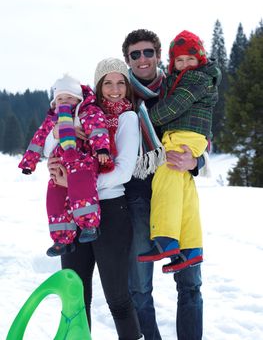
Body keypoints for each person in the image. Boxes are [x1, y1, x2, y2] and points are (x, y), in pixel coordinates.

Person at [47, 58, 144, 339]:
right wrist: (55, 136)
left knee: (118, 297)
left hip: (111, 209)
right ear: (99, 86)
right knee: (76, 296)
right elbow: (49, 148)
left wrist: (77, 184)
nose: (115, 90)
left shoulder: (127, 118)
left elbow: (124, 171)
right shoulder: (81, 112)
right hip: (73, 213)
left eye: (121, 83)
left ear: (127, 87)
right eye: (108, 83)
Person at [122, 29, 206, 340]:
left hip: (178, 195)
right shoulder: (120, 95)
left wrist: (196, 162)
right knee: (140, 289)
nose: (142, 59)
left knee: (190, 283)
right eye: (135, 54)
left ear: (159, 56)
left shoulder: (180, 87)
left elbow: (198, 138)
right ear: (127, 59)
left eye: (147, 52)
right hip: (138, 200)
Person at [138, 30, 221, 275]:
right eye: (180, 61)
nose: (185, 65)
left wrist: (146, 118)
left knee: (166, 176)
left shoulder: (194, 79)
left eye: (190, 60)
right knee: (186, 194)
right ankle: (192, 249)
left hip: (182, 138)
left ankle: (166, 239)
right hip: (189, 137)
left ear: (200, 60)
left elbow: (175, 106)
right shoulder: (178, 80)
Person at [19, 75, 114, 257]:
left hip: (82, 161)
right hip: (60, 165)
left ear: (79, 99)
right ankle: (62, 239)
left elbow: (97, 130)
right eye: (60, 99)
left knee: (81, 186)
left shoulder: (87, 112)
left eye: (69, 98)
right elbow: (39, 139)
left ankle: (89, 225)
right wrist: (29, 162)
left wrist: (101, 149)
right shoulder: (53, 120)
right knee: (54, 198)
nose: (65, 102)